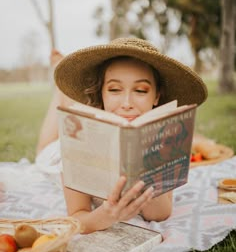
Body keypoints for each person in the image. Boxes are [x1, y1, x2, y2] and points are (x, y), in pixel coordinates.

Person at [38, 38, 208, 234]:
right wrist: (107, 215)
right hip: (51, 153)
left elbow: (160, 213)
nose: (127, 103)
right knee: (49, 135)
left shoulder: (162, 141)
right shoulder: (74, 147)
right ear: (101, 93)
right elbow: (77, 216)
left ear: (157, 96)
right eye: (114, 89)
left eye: (140, 90)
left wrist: (148, 165)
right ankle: (60, 84)